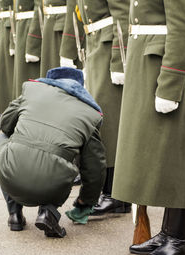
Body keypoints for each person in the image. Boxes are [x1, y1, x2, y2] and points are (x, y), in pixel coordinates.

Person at [111, 0, 185, 255]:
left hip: (165, 66)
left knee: (177, 149)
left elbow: (184, 25)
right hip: (147, 61)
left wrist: (170, 84)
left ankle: (179, 237)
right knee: (163, 151)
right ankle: (167, 232)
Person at [0, 67, 106, 238]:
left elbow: (6, 125)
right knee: (68, 154)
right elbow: (95, 168)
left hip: (12, 174)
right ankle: (48, 213)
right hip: (54, 183)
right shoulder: (90, 114)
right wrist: (86, 201)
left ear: (50, 81)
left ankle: (14, 214)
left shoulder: (32, 90)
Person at [76, 0, 131, 216]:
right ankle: (109, 191)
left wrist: (119, 61)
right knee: (101, 120)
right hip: (97, 44)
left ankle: (115, 195)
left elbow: (123, 15)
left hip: (109, 48)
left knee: (109, 122)